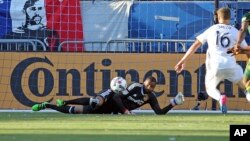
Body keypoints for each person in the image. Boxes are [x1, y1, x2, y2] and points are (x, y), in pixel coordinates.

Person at [174, 7, 248, 114]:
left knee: (210, 89)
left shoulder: (211, 30)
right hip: (231, 65)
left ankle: (220, 98)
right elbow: (245, 49)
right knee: (245, 87)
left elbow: (195, 45)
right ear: (230, 18)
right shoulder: (236, 32)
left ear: (217, 17)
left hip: (215, 67)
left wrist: (183, 60)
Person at [32, 76, 185, 115]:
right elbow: (117, 96)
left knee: (77, 112)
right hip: (109, 99)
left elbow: (158, 112)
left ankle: (48, 105)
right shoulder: (134, 86)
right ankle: (62, 101)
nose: (150, 88)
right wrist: (125, 111)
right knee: (95, 102)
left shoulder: (151, 97)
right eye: (148, 85)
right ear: (144, 83)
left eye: (152, 86)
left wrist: (173, 103)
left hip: (111, 110)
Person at [230, 11, 250, 102]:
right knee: (246, 82)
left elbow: (242, 29)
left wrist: (239, 47)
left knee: (247, 81)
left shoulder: (247, 16)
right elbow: (242, 30)